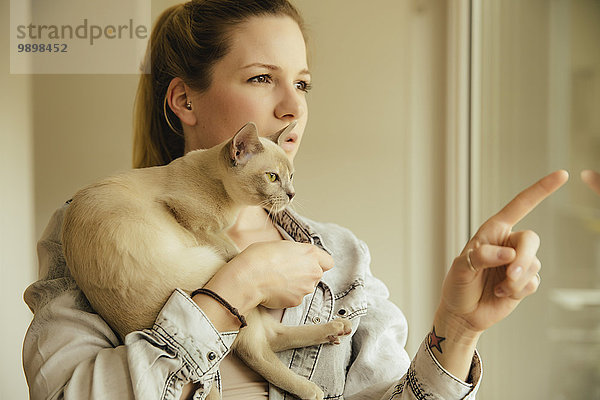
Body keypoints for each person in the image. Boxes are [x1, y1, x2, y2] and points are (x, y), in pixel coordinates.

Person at [22, 1, 569, 399]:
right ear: (184, 99)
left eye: (303, 84)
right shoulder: (87, 230)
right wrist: (237, 286)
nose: (292, 107)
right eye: (263, 78)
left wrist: (461, 325)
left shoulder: (340, 256)